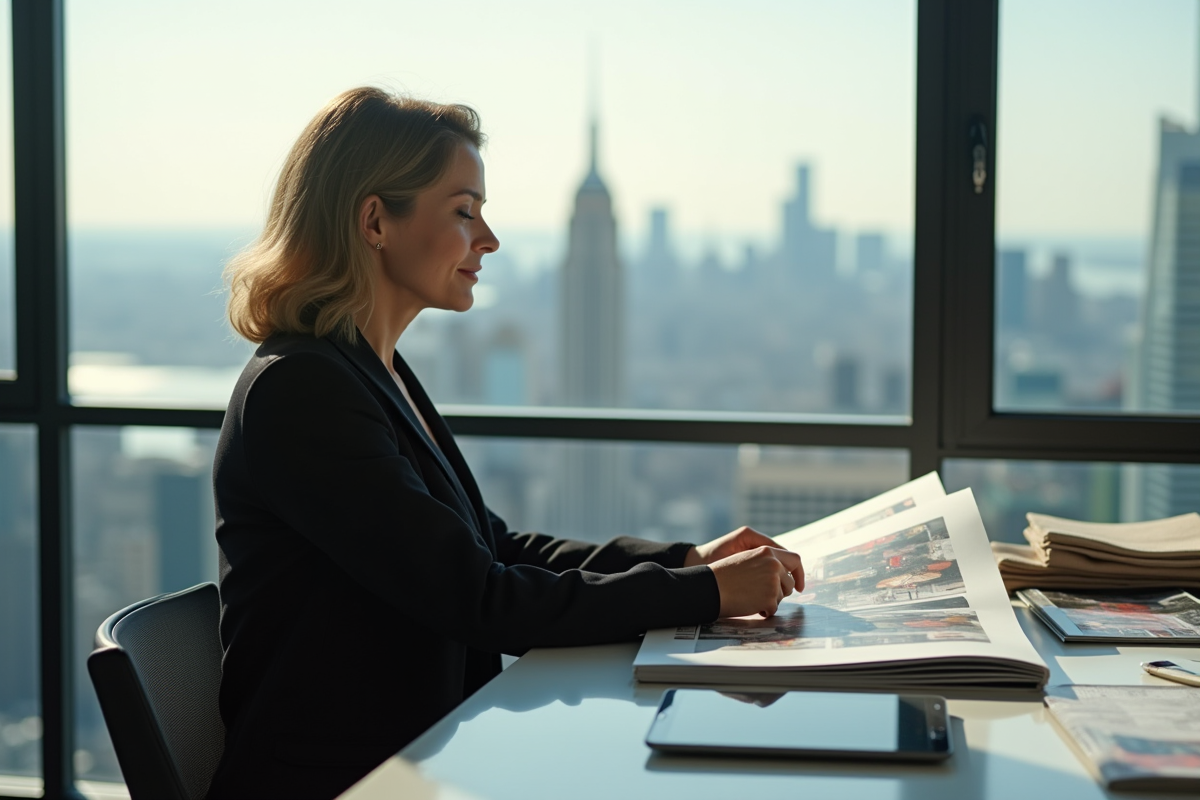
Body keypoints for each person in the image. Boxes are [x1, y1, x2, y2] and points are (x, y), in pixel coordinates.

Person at [207, 87, 805, 800]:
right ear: (375, 221)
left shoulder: (369, 373)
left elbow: (492, 547)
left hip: (419, 763)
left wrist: (687, 560)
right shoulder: (303, 392)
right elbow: (481, 599)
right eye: (465, 212)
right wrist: (703, 594)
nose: (488, 240)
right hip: (348, 784)